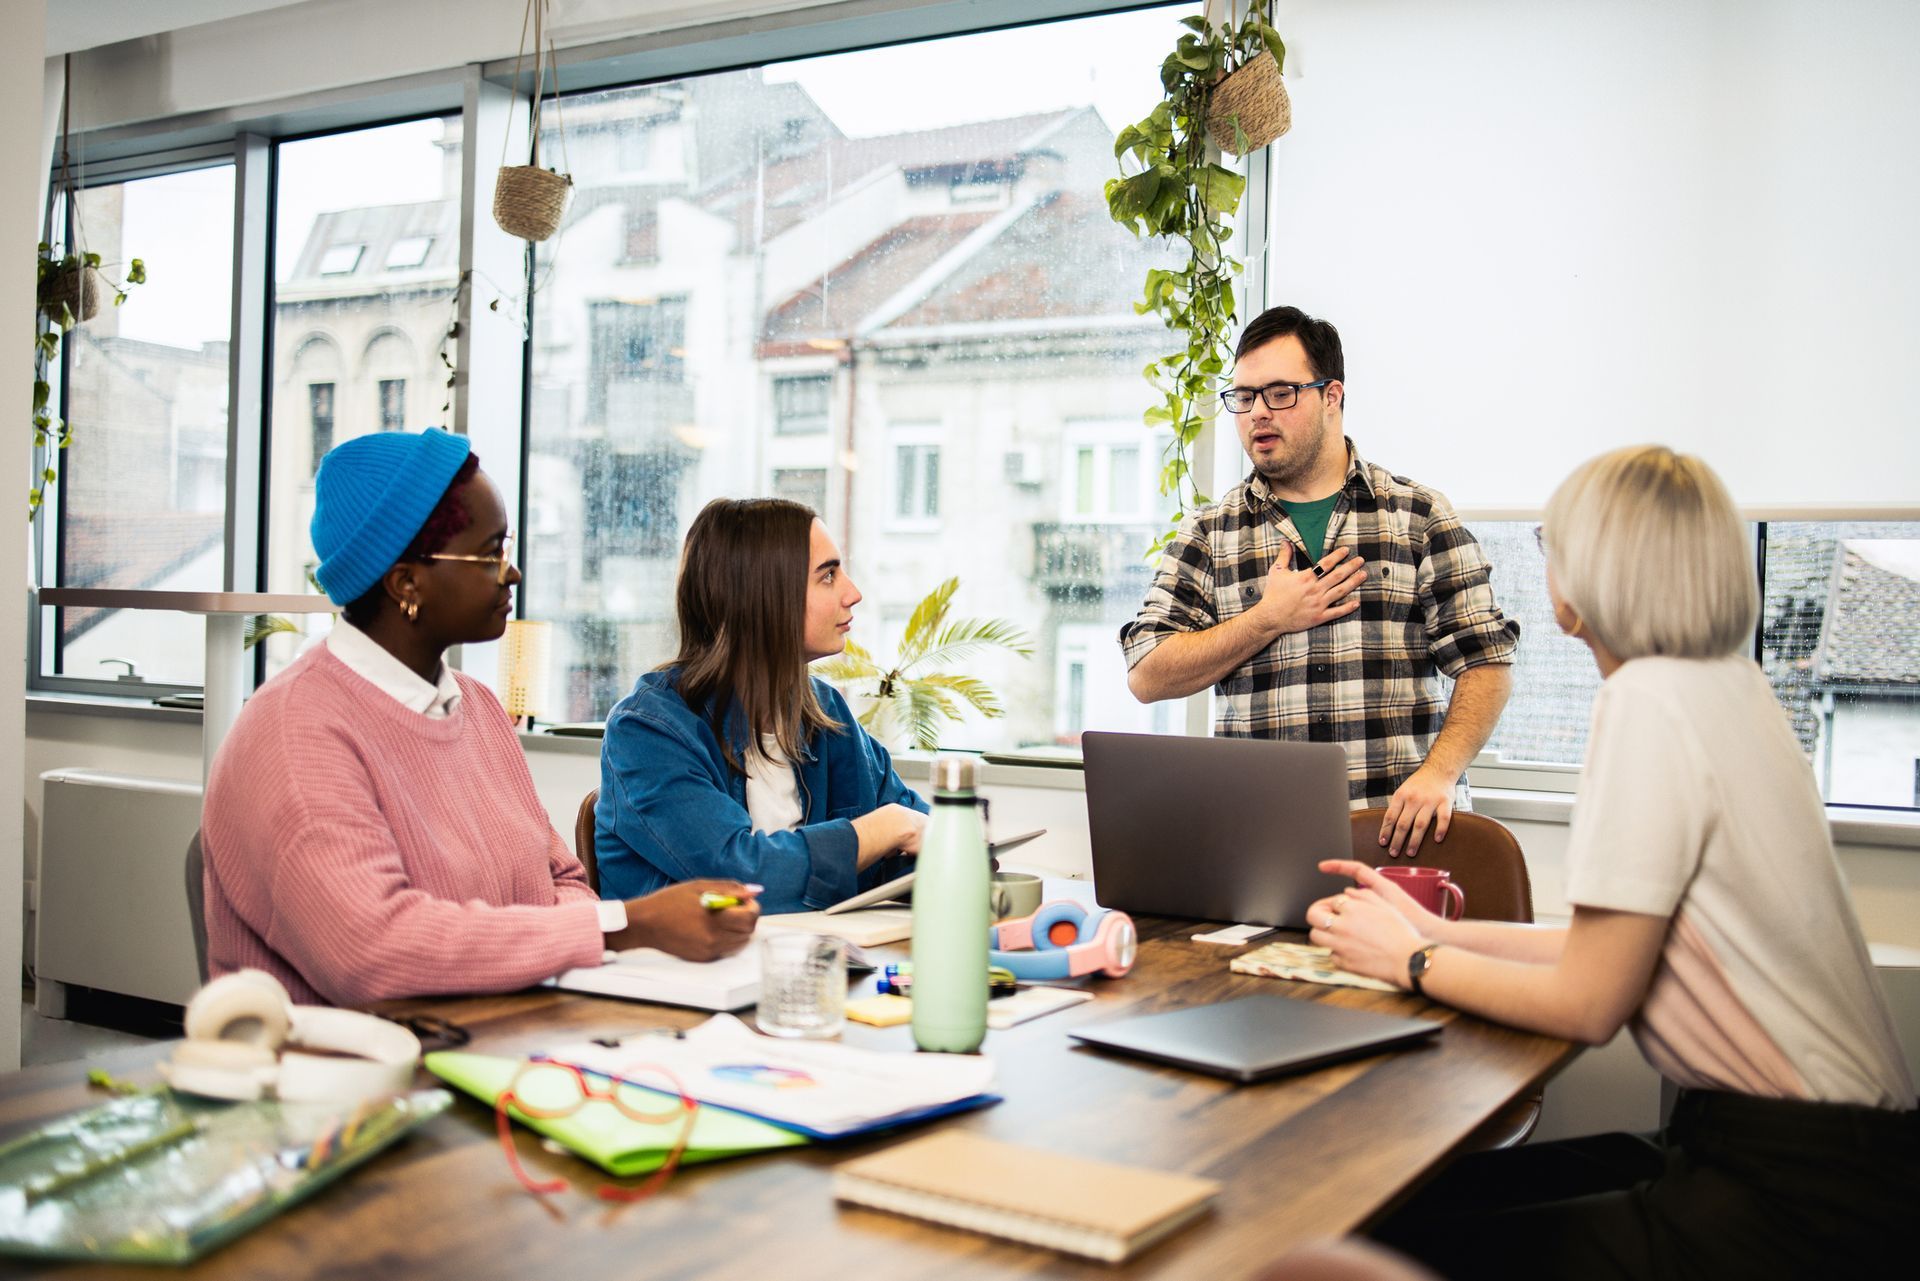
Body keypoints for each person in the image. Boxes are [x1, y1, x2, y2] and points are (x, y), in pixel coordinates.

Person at [1306, 446, 1917, 1279]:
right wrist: (1428, 927)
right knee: (1422, 1206)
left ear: (1583, 579)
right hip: (1840, 1159)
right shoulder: (1733, 689)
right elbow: (1614, 954)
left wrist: (1412, 959)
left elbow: (1590, 1002)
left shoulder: (1646, 701)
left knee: (1370, 1249)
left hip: (1792, 1193)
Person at [201, 429, 757, 1007]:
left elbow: (561, 881)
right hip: (362, 1077)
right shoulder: (296, 732)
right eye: (491, 554)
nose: (511, 575)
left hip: (514, 1036)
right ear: (406, 582)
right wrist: (624, 926)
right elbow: (373, 951)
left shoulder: (478, 706)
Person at [1121, 306, 1518, 857]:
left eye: (1281, 392)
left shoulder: (1417, 515)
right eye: (1244, 396)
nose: (1258, 413)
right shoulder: (1210, 534)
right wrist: (1267, 620)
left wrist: (1441, 774)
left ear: (1332, 396)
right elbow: (1146, 674)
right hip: (1262, 847)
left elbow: (1486, 662)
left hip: (1402, 839)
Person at [595, 497, 928, 914]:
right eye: (827, 576)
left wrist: (940, 848)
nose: (853, 593)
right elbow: (737, 878)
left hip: (806, 962)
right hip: (689, 976)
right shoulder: (647, 732)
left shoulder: (826, 713)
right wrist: (886, 828)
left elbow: (913, 838)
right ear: (763, 597)